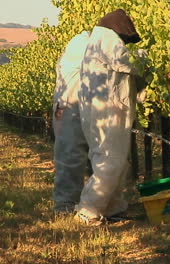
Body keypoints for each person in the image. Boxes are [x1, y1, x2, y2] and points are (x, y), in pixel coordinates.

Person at [75, 9, 146, 225]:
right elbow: (124, 61)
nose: (125, 42)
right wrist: (149, 58)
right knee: (110, 160)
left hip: (103, 110)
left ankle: (112, 207)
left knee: (114, 160)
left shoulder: (99, 39)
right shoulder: (106, 38)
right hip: (107, 111)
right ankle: (89, 210)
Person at [52, 31, 90, 214]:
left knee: (77, 155)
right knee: (70, 156)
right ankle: (65, 207)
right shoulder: (83, 44)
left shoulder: (81, 43)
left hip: (74, 107)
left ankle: (86, 203)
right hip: (68, 108)